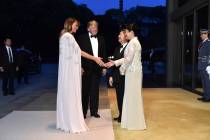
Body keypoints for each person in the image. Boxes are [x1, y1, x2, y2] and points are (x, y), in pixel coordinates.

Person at [56, 17, 104, 133]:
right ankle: (72, 122)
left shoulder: (64, 36)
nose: (77, 28)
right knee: (74, 94)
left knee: (69, 94)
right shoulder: (68, 37)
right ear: (70, 24)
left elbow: (71, 55)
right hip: (71, 72)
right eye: (76, 26)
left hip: (68, 71)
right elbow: (79, 52)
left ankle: (66, 121)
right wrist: (94, 58)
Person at [106, 24, 146, 130]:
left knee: (132, 97)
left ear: (131, 32)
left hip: (132, 74)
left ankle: (133, 123)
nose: (125, 34)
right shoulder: (134, 42)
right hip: (134, 73)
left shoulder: (133, 43)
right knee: (132, 97)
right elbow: (126, 58)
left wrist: (121, 70)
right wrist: (114, 62)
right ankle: (131, 120)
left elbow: (128, 60)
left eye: (126, 32)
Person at [77, 20, 107, 118]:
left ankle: (94, 111)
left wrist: (104, 67)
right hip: (85, 69)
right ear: (88, 28)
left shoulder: (101, 39)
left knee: (95, 91)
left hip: (97, 69)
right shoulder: (81, 38)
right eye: (92, 26)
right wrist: (80, 66)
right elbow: (78, 54)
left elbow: (104, 53)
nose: (95, 28)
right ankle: (83, 112)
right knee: (85, 91)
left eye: (96, 26)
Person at [109, 29, 128, 122]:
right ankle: (121, 115)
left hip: (125, 77)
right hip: (117, 77)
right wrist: (111, 76)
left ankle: (125, 116)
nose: (118, 36)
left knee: (125, 97)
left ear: (126, 36)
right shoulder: (117, 48)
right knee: (119, 97)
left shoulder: (129, 48)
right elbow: (114, 64)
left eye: (120, 34)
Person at [197, 29, 210, 102]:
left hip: (206, 65)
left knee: (207, 81)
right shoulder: (201, 43)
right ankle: (205, 95)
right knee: (203, 81)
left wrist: (209, 65)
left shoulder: (208, 43)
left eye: (202, 34)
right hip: (201, 64)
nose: (201, 36)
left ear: (206, 35)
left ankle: (208, 97)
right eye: (201, 34)